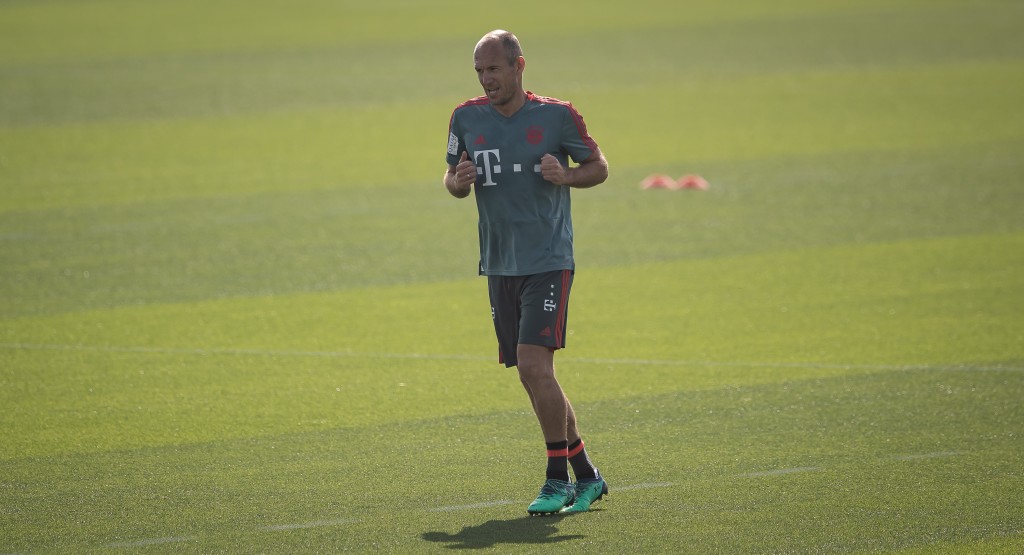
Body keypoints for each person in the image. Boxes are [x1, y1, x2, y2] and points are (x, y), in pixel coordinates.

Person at [442, 30, 610, 515]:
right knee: (532, 376)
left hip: (548, 259)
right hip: (499, 263)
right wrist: (458, 182)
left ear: (518, 66)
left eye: (493, 69)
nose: (486, 79)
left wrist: (568, 176)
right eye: (479, 71)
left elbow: (598, 166)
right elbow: (451, 176)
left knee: (536, 365)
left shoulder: (557, 115)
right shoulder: (465, 118)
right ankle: (588, 476)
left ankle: (557, 480)